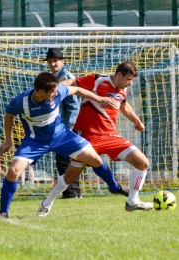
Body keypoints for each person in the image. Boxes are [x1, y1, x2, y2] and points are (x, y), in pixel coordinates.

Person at [0, 71, 119, 220]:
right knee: (13, 170)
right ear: (40, 91)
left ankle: (115, 187)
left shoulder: (57, 92)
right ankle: (3, 212)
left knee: (94, 158)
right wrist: (7, 141)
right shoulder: (21, 102)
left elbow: (76, 89)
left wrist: (100, 98)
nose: (56, 94)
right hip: (35, 141)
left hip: (61, 136)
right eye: (52, 92)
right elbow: (9, 115)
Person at [37, 61, 153, 217]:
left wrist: (136, 120)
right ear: (119, 75)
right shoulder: (97, 80)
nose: (130, 84)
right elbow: (72, 82)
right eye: (128, 79)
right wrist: (54, 92)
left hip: (111, 136)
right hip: (88, 137)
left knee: (143, 162)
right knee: (70, 176)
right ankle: (47, 203)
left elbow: (123, 105)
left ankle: (132, 201)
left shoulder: (123, 89)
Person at [44, 47, 81, 198]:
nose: (53, 64)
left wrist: (69, 127)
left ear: (62, 61)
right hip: (61, 127)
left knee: (65, 161)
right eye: (50, 61)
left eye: (56, 61)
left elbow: (73, 106)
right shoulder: (55, 78)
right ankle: (72, 192)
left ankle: (71, 193)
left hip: (67, 128)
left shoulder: (66, 77)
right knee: (66, 161)